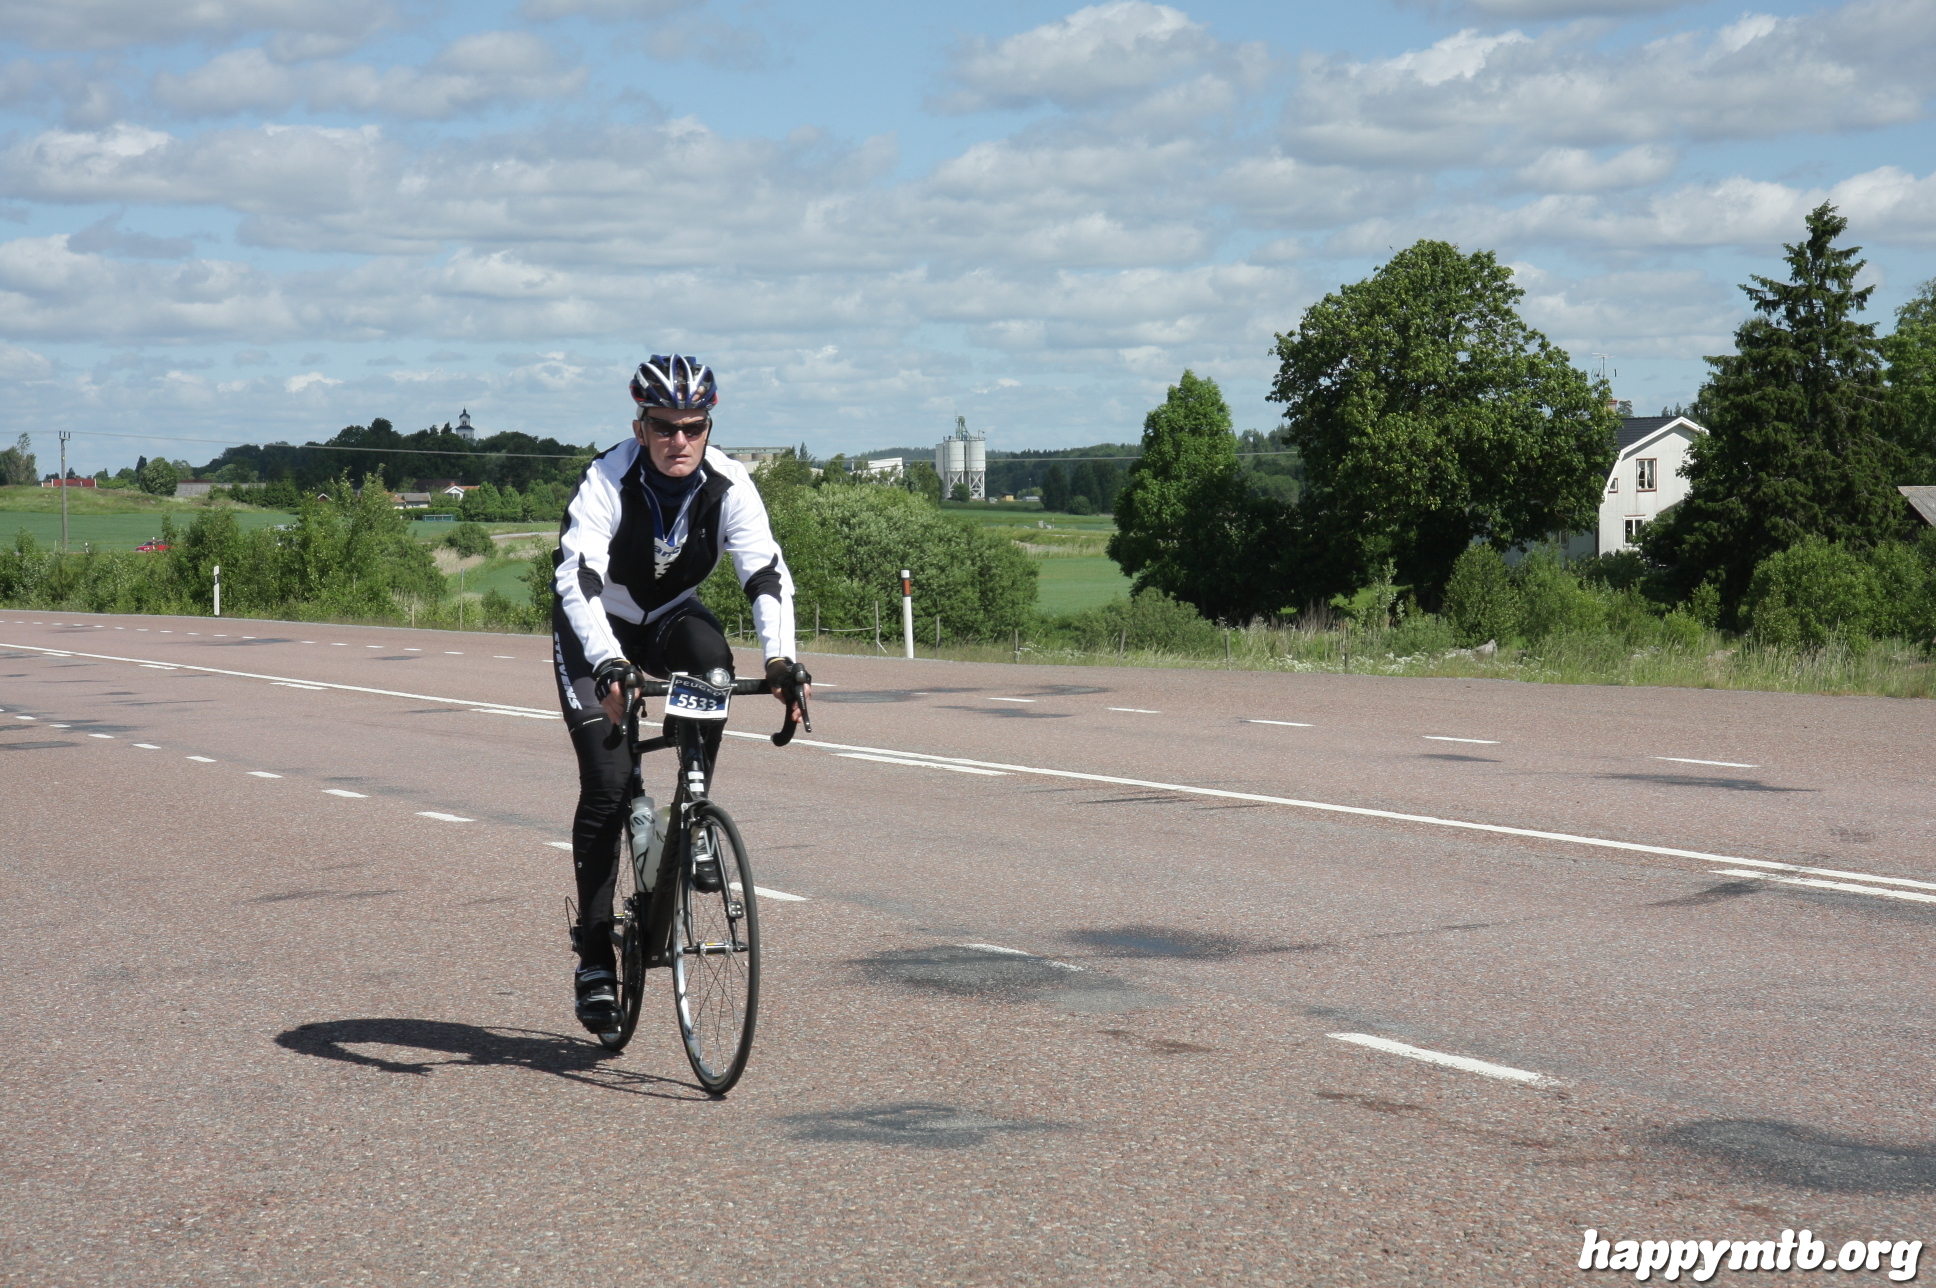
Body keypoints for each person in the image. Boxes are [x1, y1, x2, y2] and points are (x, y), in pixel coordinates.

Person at [551, 353, 808, 1032]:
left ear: (708, 427)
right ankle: (595, 954)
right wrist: (608, 663)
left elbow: (764, 572)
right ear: (640, 427)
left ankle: (690, 813)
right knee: (608, 782)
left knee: (713, 661)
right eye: (664, 427)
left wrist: (781, 659)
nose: (679, 440)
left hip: (668, 618)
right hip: (597, 625)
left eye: (693, 427)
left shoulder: (729, 484)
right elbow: (578, 577)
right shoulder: (607, 479)